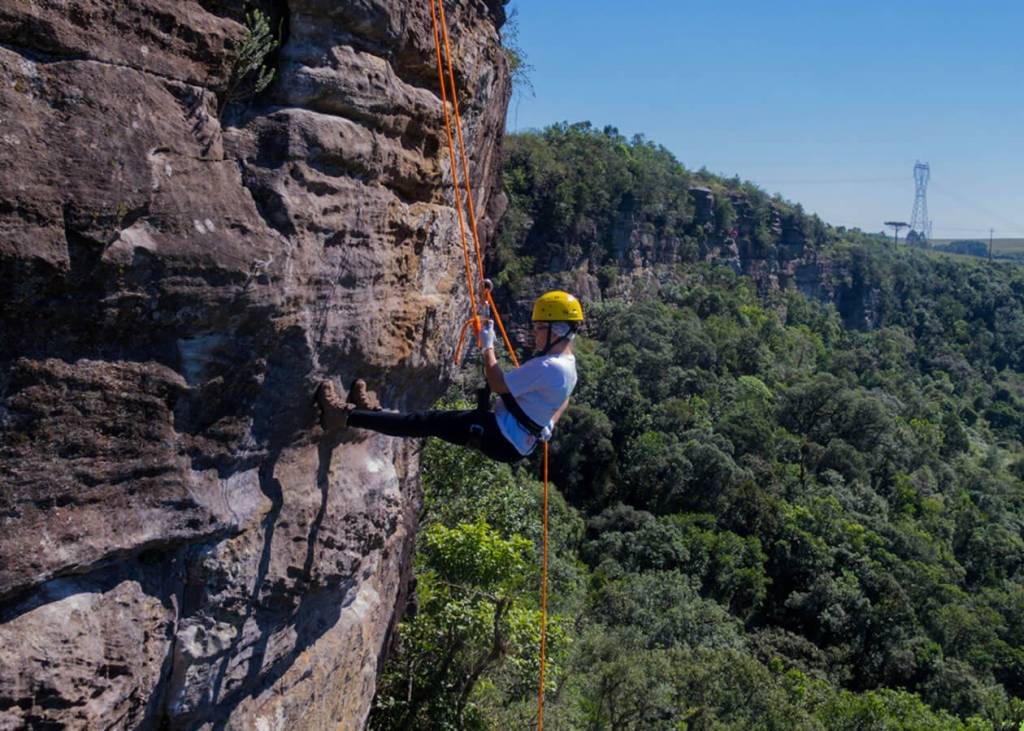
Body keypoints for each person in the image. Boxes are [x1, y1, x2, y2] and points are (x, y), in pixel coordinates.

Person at [317, 291, 583, 463]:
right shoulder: (568, 365)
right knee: (427, 421)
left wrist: (487, 346)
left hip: (500, 436)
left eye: (539, 328)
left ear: (557, 330)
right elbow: (565, 400)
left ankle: (342, 416)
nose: (534, 334)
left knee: (424, 422)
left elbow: (497, 383)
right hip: (514, 442)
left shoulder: (549, 366)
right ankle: (371, 413)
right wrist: (549, 423)